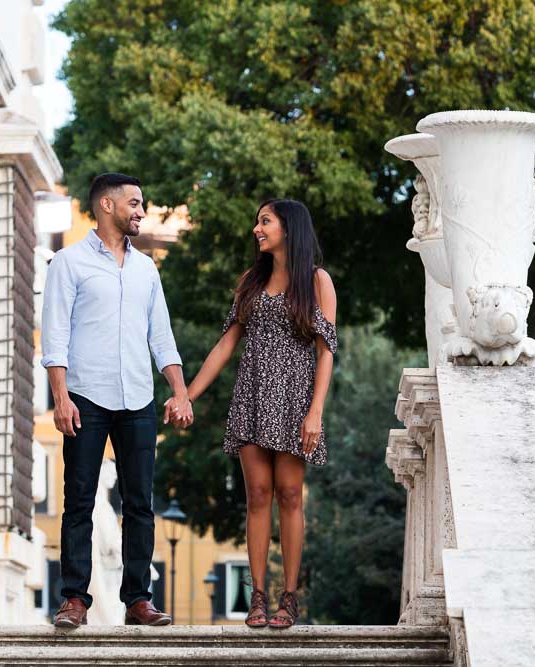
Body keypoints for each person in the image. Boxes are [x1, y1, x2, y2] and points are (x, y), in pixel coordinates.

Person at [41, 173, 193, 628]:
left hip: (138, 399)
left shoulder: (147, 269)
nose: (140, 210)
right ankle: (74, 600)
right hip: (85, 396)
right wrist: (61, 397)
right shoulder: (68, 263)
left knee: (140, 503)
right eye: (134, 202)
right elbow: (55, 337)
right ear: (107, 206)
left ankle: (138, 600)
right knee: (79, 501)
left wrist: (179, 391)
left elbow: (161, 337)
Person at [178, 199, 337, 629]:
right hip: (251, 398)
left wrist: (315, 412)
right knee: (258, 496)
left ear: (289, 227)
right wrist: (187, 395)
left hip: (295, 401)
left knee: (289, 493)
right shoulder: (251, 281)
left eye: (264, 221)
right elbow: (226, 344)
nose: (256, 229)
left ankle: (289, 597)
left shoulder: (317, 281)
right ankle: (258, 598)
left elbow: (326, 354)